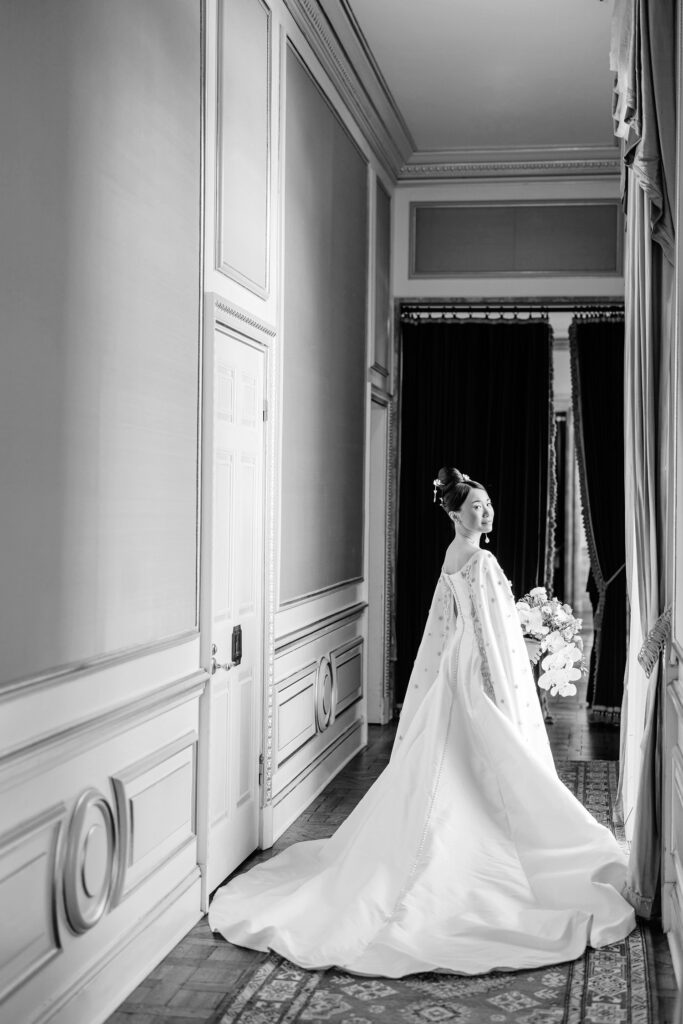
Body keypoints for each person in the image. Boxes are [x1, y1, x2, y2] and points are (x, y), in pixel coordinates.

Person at [208, 466, 635, 976]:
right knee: (483, 758)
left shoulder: (457, 555)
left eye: (488, 504)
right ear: (455, 514)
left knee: (450, 759)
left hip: (459, 664)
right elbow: (486, 626)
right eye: (476, 505)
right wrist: (502, 686)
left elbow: (450, 624)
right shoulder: (479, 559)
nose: (486, 511)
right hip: (476, 668)